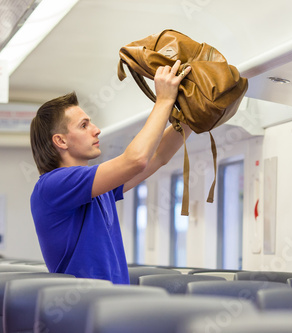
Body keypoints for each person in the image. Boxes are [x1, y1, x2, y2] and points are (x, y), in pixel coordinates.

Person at [29, 60, 191, 284]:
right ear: (61, 141)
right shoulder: (53, 186)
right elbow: (136, 160)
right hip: (83, 314)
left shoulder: (98, 187)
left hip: (113, 306)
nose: (96, 130)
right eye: (84, 125)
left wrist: (192, 115)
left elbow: (158, 157)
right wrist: (164, 100)